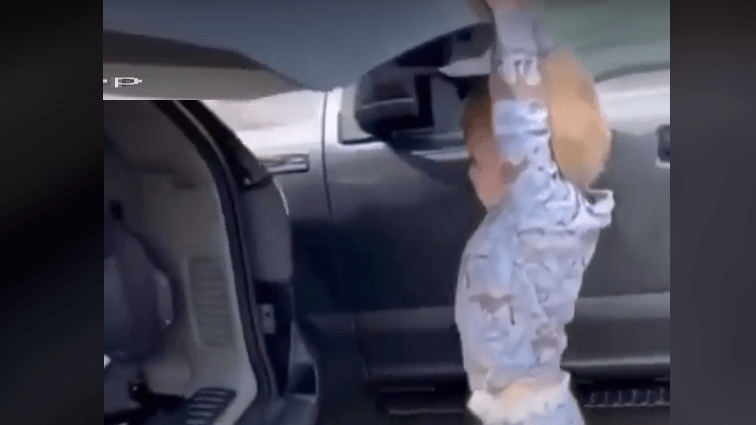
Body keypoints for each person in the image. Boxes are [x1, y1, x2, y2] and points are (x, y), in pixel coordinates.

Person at [454, 1, 615, 424]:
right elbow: (534, 89)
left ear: (513, 160)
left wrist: (511, 16)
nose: (470, 173)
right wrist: (522, 29)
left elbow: (521, 113)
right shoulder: (530, 212)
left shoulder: (541, 212)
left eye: (475, 160)